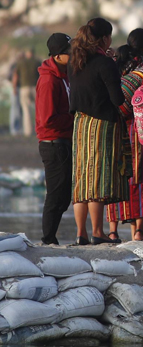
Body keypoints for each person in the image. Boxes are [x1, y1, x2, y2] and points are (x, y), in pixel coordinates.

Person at [69, 17, 129, 245]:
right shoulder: (105, 64)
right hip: (102, 124)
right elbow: (117, 98)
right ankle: (97, 232)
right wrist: (114, 67)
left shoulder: (75, 61)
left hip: (80, 124)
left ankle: (80, 233)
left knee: (82, 178)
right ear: (105, 39)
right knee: (97, 178)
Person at [106, 28, 143, 242]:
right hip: (139, 129)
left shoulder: (115, 63)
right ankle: (139, 229)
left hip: (117, 128)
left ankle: (113, 230)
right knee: (141, 175)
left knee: (120, 175)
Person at [35, 33, 73, 245]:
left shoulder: (64, 76)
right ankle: (48, 239)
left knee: (63, 196)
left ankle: (50, 237)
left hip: (63, 142)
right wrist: (74, 119)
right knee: (56, 195)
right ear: (58, 56)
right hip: (53, 143)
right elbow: (47, 119)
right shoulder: (49, 80)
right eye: (70, 52)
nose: (74, 55)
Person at [13, 48, 41, 137]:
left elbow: (15, 75)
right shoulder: (37, 62)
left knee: (26, 110)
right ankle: (39, 129)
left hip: (24, 88)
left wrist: (14, 88)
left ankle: (28, 131)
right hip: (36, 88)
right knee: (39, 110)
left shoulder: (21, 62)